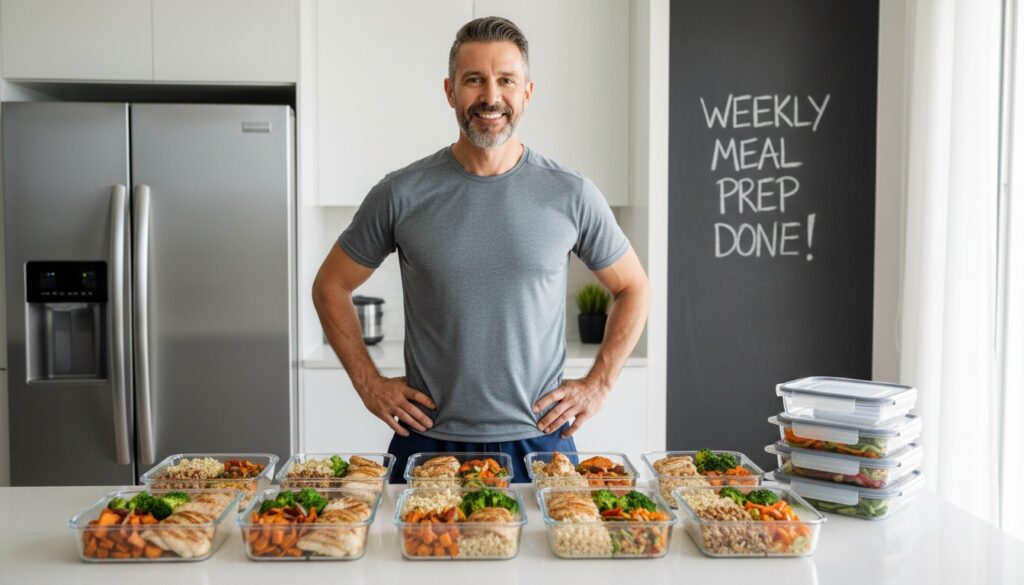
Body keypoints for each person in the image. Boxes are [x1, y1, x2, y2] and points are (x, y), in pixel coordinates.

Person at [312, 16, 650, 483]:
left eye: (506, 80)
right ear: (450, 92)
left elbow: (634, 287)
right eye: (474, 80)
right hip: (428, 440)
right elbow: (330, 286)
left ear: (527, 92)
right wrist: (368, 384)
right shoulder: (401, 193)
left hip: (540, 440)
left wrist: (599, 385)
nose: (491, 97)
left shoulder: (571, 194)